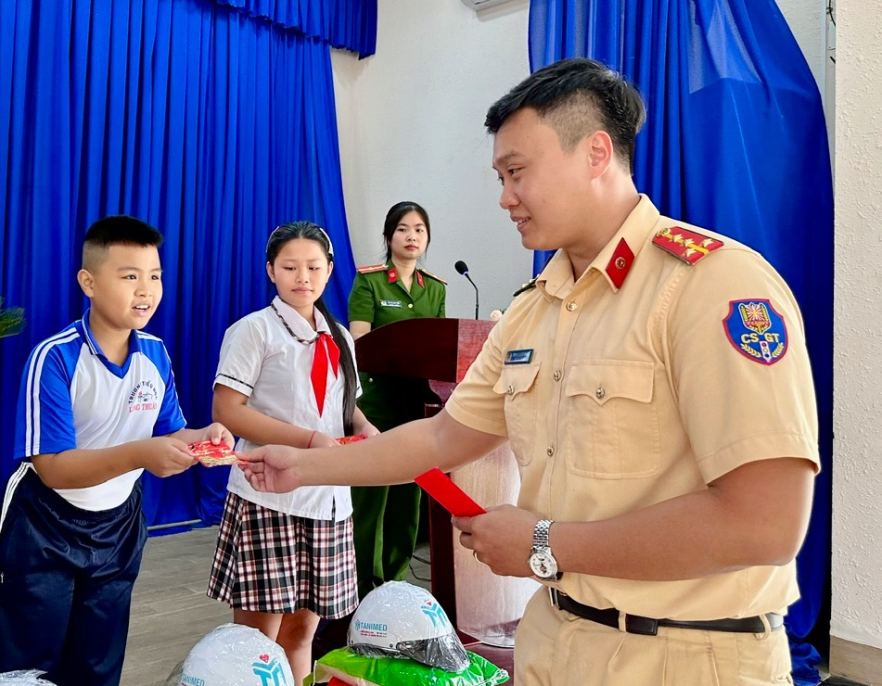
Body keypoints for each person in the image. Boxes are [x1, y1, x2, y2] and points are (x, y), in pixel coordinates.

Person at [240, 58, 819, 686]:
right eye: (500, 176)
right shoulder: (531, 310)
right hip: (553, 643)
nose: (504, 197)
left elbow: (765, 522)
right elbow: (441, 439)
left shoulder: (712, 286)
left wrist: (544, 545)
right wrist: (303, 465)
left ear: (597, 152)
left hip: (685, 657)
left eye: (517, 172)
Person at [0, 215, 233, 686]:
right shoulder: (54, 358)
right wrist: (143, 454)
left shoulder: (156, 355)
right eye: (130, 276)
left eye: (155, 276)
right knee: (28, 668)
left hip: (118, 526)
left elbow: (171, 432)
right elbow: (53, 468)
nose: (146, 290)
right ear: (89, 282)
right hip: (44, 525)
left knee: (99, 663)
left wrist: (205, 438)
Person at [206, 221, 379, 683]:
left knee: (303, 631)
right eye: (290, 267)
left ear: (328, 271)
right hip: (268, 497)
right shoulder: (254, 331)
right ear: (271, 271)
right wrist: (308, 441)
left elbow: (346, 409)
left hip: (328, 500)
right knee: (257, 641)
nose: (302, 276)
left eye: (313, 266)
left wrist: (370, 431)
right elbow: (228, 409)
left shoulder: (339, 335)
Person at [347, 200, 446, 598]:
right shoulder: (369, 282)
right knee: (372, 494)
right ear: (388, 237)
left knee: (409, 493)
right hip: (376, 402)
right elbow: (359, 343)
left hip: (417, 404)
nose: (411, 236)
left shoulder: (435, 288)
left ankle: (396, 578)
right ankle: (362, 581)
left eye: (419, 230)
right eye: (403, 229)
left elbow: (440, 347)